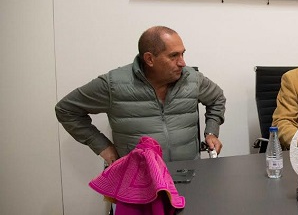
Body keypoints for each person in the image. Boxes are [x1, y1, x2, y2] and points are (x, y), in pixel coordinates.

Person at [55, 26, 226, 165]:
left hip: (188, 174)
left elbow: (217, 98)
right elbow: (66, 109)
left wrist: (211, 132)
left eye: (182, 53)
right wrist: (103, 148)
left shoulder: (192, 79)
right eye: (173, 56)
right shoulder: (114, 84)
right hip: (139, 183)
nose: (182, 62)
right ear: (149, 59)